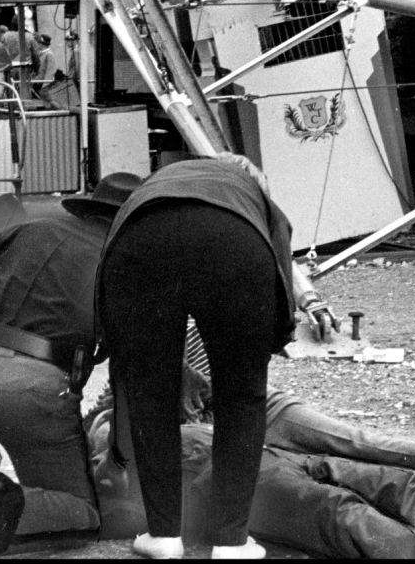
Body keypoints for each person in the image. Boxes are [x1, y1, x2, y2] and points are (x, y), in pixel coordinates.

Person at [0, 172, 143, 559]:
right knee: (83, 512)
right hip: (30, 392)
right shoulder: (125, 264)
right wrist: (120, 456)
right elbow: (129, 373)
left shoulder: (27, 229)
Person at [87, 386, 415, 560]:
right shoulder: (108, 445)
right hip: (214, 479)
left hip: (250, 448)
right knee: (336, 511)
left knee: (378, 477)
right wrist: (116, 416)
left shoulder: (164, 406)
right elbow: (116, 486)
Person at [97, 153, 297, 560]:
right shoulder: (253, 198)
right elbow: (280, 265)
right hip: (234, 241)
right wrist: (270, 341)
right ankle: (231, 542)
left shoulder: (164, 180)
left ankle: (164, 537)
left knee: (150, 395)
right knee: (242, 399)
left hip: (140, 236)